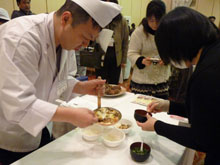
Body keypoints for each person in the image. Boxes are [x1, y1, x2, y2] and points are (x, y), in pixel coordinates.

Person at [0, 0, 121, 164]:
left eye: (90, 40)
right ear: (66, 19)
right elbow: (18, 104)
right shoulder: (21, 38)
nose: (85, 45)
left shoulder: (65, 40)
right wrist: (71, 115)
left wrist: (81, 87)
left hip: (39, 127)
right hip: (9, 135)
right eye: (85, 38)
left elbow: (57, 81)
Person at [137, 7, 220, 165]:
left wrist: (156, 126)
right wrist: (168, 106)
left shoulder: (207, 73)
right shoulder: (213, 54)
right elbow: (204, 112)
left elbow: (200, 138)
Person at [128, 0, 170, 99]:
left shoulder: (168, 31)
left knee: (159, 112)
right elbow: (131, 53)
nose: (155, 24)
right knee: (140, 111)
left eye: (158, 20)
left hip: (161, 81)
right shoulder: (139, 32)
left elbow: (173, 51)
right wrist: (141, 60)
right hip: (142, 81)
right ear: (147, 18)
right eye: (151, 20)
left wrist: (166, 59)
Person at [95, 0, 129, 84]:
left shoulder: (122, 21)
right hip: (101, 54)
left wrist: (124, 60)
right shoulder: (98, 19)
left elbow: (125, 42)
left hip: (115, 55)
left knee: (114, 82)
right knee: (101, 82)